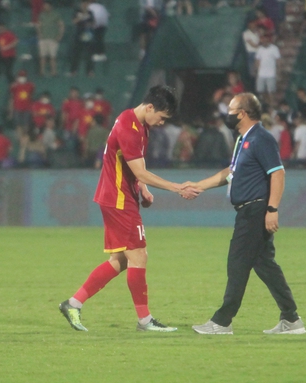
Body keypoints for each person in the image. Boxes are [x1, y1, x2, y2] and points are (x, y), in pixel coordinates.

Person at [58, 85, 200, 333]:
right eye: (161, 117)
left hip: (121, 196)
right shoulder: (128, 127)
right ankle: (144, 320)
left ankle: (73, 303)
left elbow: (136, 167)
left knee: (121, 260)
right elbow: (140, 170)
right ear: (150, 107)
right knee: (139, 256)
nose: (160, 123)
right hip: (118, 199)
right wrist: (176, 187)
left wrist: (142, 188)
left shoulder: (138, 123)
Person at [191, 93, 306, 335]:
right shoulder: (245, 139)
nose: (228, 113)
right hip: (249, 210)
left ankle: (222, 321)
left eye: (231, 109)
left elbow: (278, 173)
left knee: (237, 263)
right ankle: (291, 319)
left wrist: (272, 209)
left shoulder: (261, 138)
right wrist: (200, 185)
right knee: (264, 265)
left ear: (242, 113)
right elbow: (231, 172)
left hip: (255, 210)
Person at [36, 1, 64, 77]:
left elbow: (61, 25)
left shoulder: (56, 15)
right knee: (42, 56)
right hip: (43, 39)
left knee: (53, 57)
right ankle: (42, 72)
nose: (45, 7)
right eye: (44, 6)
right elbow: (39, 25)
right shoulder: (41, 15)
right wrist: (39, 34)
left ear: (51, 6)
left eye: (47, 6)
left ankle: (54, 72)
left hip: (53, 39)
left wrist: (60, 36)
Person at [69, 1, 94, 76]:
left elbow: (93, 23)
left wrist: (88, 23)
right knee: (76, 54)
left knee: (89, 54)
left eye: (86, 4)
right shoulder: (77, 12)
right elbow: (74, 21)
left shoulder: (90, 13)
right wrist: (81, 17)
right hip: (78, 35)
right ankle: (73, 71)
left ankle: (90, 71)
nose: (85, 5)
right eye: (83, 4)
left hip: (88, 35)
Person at [255, 34, 280, 109]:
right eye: (263, 40)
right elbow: (257, 60)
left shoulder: (274, 48)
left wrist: (278, 71)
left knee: (271, 91)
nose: (264, 41)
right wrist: (257, 70)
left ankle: (272, 105)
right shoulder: (260, 49)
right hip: (261, 74)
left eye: (266, 40)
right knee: (261, 90)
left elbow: (278, 60)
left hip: (271, 74)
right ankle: (266, 103)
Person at [8, 70, 35, 140]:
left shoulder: (30, 85)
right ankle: (19, 137)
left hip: (27, 108)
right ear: (18, 77)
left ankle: (25, 137)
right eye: (21, 76)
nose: (22, 78)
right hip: (17, 107)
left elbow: (31, 94)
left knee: (26, 124)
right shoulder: (14, 85)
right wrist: (11, 110)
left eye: (23, 76)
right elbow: (11, 96)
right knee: (18, 124)